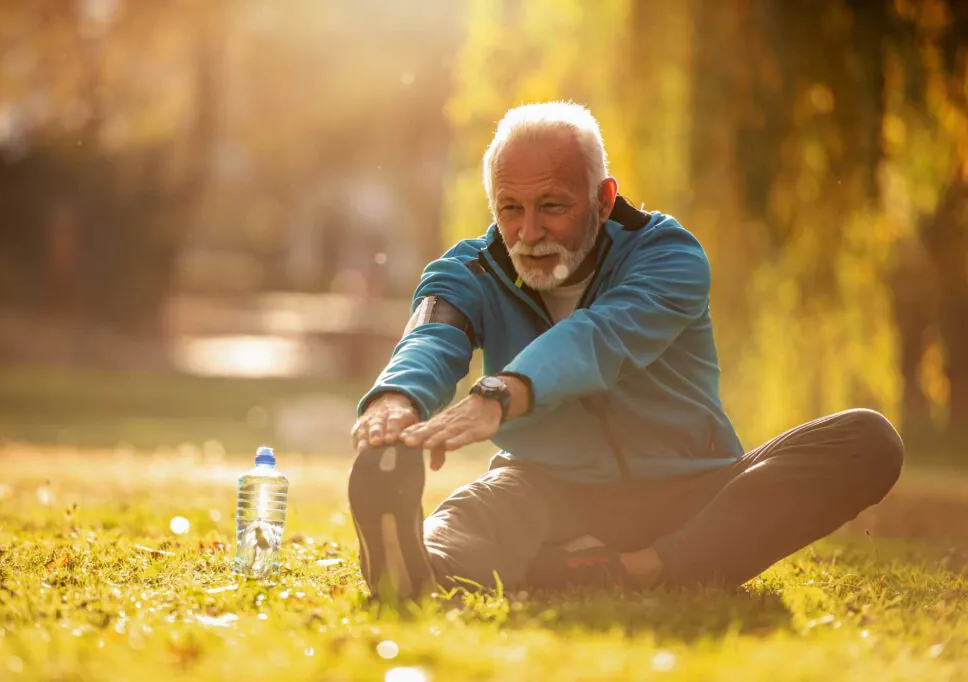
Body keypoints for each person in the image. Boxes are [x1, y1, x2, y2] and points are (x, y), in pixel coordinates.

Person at [347, 101, 904, 600]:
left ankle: (635, 568)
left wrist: (498, 393)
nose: (528, 232)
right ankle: (422, 569)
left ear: (604, 198)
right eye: (509, 208)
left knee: (868, 440)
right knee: (483, 510)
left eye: (552, 206)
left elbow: (600, 337)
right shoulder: (468, 269)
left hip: (688, 490)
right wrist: (395, 399)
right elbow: (431, 334)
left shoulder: (668, 255)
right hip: (547, 485)